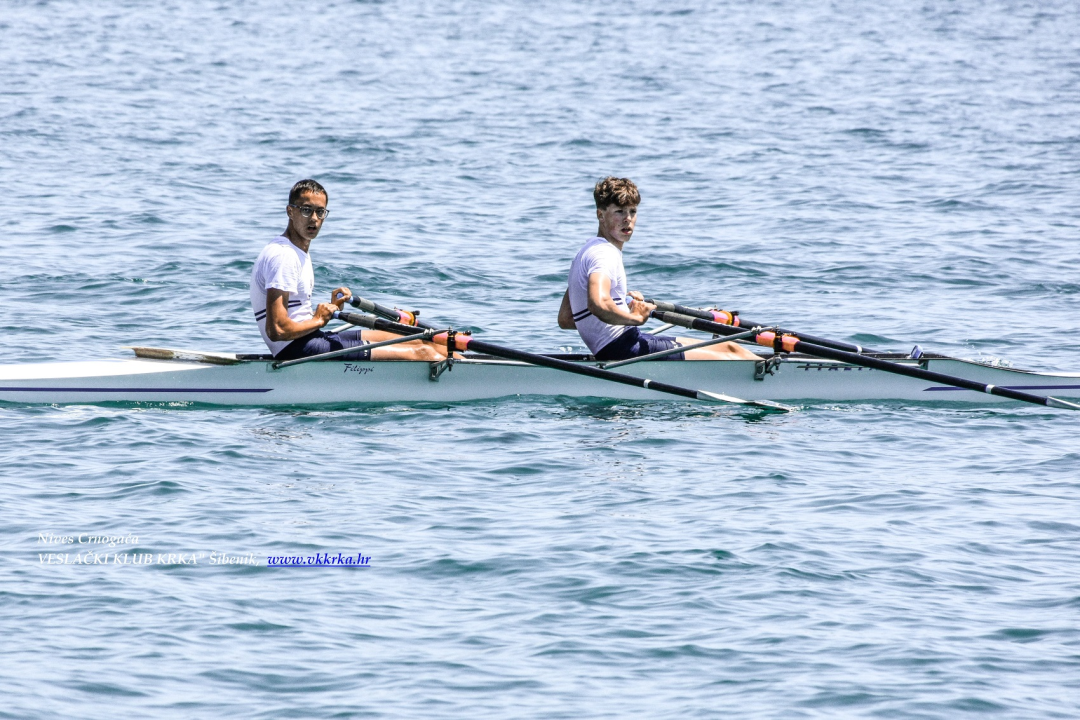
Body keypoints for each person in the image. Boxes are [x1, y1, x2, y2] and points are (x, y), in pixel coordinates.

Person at [558, 176, 759, 362]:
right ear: (600, 215)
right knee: (733, 351)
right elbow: (598, 304)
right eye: (619, 212)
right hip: (626, 349)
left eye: (632, 212)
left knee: (725, 345)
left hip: (620, 345)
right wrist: (635, 317)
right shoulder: (605, 254)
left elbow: (567, 318)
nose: (627, 219)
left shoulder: (584, 253)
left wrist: (620, 309)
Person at [250, 179, 446, 362]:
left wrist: (329, 308)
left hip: (309, 338)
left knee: (416, 339)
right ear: (290, 212)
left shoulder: (296, 251)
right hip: (297, 349)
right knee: (424, 353)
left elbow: (294, 317)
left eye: (320, 212)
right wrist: (319, 319)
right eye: (306, 210)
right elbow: (276, 329)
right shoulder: (283, 255)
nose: (314, 219)